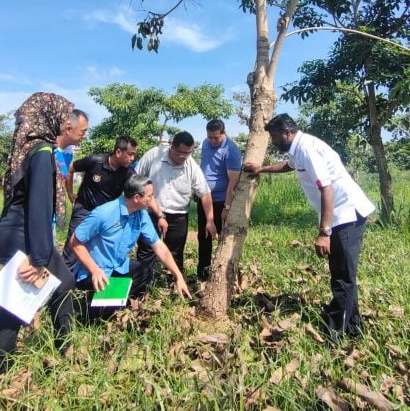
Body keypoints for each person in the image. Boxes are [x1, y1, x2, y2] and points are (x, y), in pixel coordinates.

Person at [0, 93, 89, 382]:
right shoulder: (41, 152)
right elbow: (39, 207)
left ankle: (66, 350)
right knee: (15, 308)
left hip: (17, 232)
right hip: (24, 236)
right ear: (54, 119)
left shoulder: (27, 147)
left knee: (64, 283)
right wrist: (39, 257)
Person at [243, 113, 375, 341]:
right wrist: (261, 169)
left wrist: (324, 232)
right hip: (342, 215)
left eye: (275, 137)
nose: (274, 141)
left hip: (346, 214)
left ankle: (336, 333)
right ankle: (353, 327)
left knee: (342, 277)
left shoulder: (307, 150)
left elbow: (327, 189)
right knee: (344, 274)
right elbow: (288, 165)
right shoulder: (299, 148)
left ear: (288, 132)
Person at [70, 174, 191, 309]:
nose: (152, 200)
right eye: (149, 196)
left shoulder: (141, 214)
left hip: (117, 267)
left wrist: (178, 276)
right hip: (94, 272)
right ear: (137, 198)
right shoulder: (104, 213)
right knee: (100, 311)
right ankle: (97, 309)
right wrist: (95, 270)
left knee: (144, 272)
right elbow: (75, 242)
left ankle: (118, 305)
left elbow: (159, 246)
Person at [136, 131, 217, 273]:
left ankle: (175, 284)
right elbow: (136, 179)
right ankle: (143, 284)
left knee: (175, 254)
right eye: (181, 153)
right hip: (151, 211)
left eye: (188, 153)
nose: (184, 157)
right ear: (171, 146)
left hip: (178, 215)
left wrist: (210, 220)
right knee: (146, 249)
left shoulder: (191, 165)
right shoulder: (154, 155)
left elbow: (205, 193)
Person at [62, 135, 138, 269]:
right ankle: (62, 285)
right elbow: (71, 169)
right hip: (84, 210)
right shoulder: (95, 161)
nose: (132, 158)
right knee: (72, 251)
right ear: (118, 152)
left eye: (134, 155)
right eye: (130, 154)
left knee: (99, 253)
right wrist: (70, 194)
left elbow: (137, 194)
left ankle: (90, 282)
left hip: (105, 217)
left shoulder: (129, 173)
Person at [198, 119, 242, 281]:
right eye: (210, 137)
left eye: (216, 138)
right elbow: (204, 164)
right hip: (204, 197)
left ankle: (221, 274)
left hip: (221, 200)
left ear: (223, 133)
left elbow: (233, 182)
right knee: (204, 236)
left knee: (222, 238)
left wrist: (227, 206)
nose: (213, 141)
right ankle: (202, 273)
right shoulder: (205, 143)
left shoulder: (231, 150)